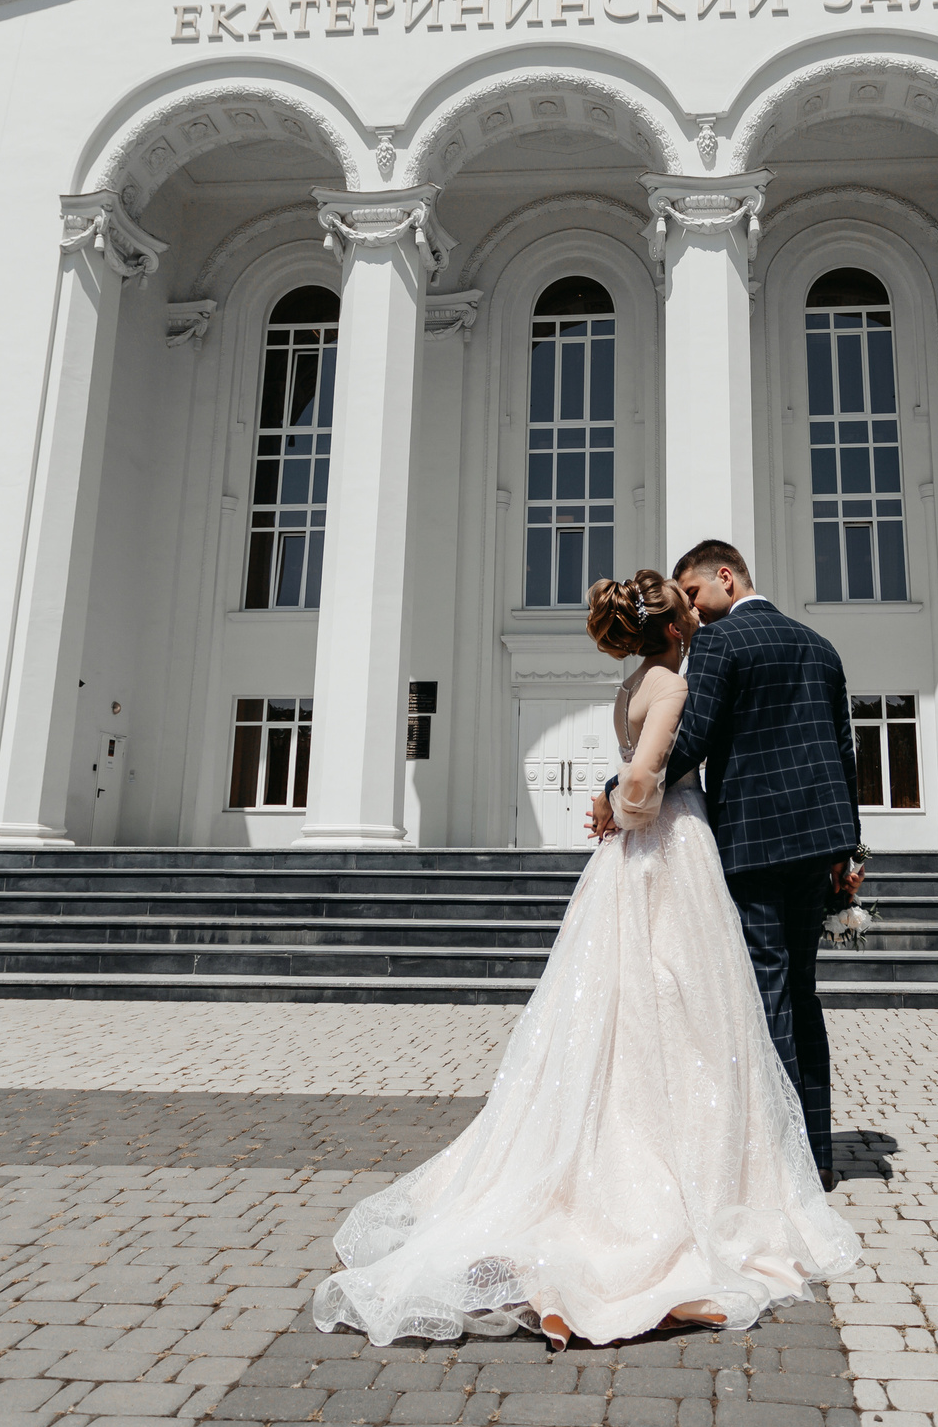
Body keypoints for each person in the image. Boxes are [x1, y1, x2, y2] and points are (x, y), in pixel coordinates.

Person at [311, 570, 858, 1350]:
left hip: (638, 863)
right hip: (679, 847)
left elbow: (640, 765)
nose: (700, 622)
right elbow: (654, 776)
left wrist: (616, 799)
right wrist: (623, 799)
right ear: (674, 628)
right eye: (690, 614)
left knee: (640, 1008)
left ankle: (729, 1146)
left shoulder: (631, 684)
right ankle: (750, 1161)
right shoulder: (676, 678)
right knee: (714, 1004)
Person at [596, 539, 861, 1189]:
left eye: (691, 589)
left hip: (751, 845)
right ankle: (818, 1151)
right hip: (817, 844)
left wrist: (613, 792)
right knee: (802, 991)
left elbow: (688, 740)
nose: (688, 604)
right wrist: (847, 852)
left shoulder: (720, 644)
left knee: (763, 991)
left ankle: (779, 1158)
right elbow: (844, 752)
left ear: (724, 576)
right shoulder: (819, 644)